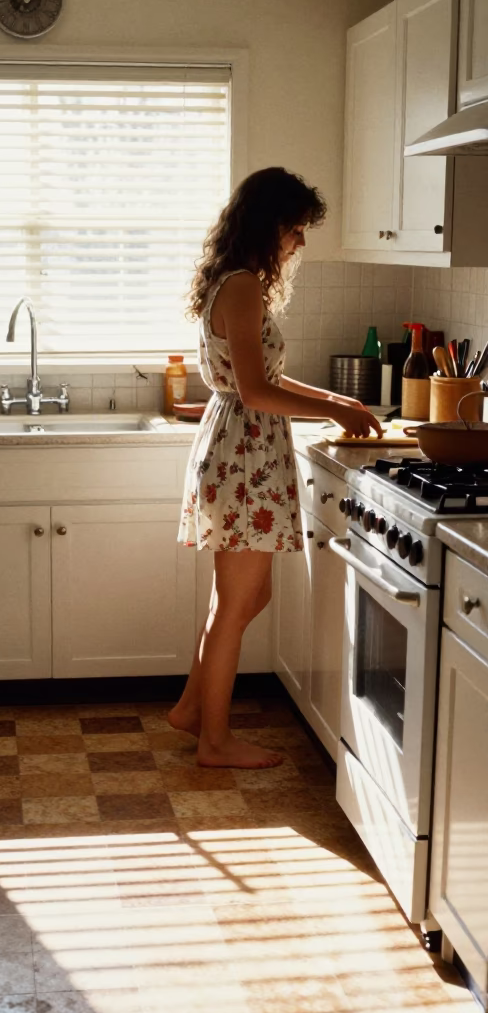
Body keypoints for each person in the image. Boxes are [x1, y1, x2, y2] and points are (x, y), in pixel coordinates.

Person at [171, 167, 382, 769]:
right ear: (269, 226)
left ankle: (192, 709)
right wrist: (327, 406)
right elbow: (257, 391)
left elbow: (261, 377)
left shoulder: (238, 282)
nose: (302, 242)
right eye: (296, 229)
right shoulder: (240, 286)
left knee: (246, 597)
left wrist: (336, 402)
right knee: (234, 606)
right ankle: (213, 740)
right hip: (243, 456)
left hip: (245, 452)